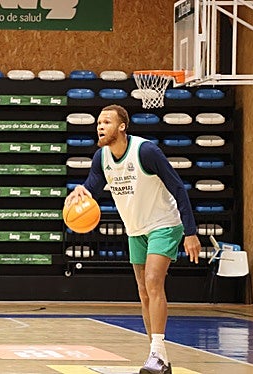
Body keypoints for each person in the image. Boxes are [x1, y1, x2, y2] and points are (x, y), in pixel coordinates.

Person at [65, 104, 201, 374]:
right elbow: (93, 184)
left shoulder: (146, 151)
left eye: (106, 122)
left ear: (122, 126)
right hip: (135, 229)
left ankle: (158, 354)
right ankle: (157, 356)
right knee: (143, 291)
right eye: (98, 122)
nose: (100, 126)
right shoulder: (101, 157)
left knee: (153, 281)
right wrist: (82, 190)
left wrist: (191, 231)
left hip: (164, 223)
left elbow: (177, 187)